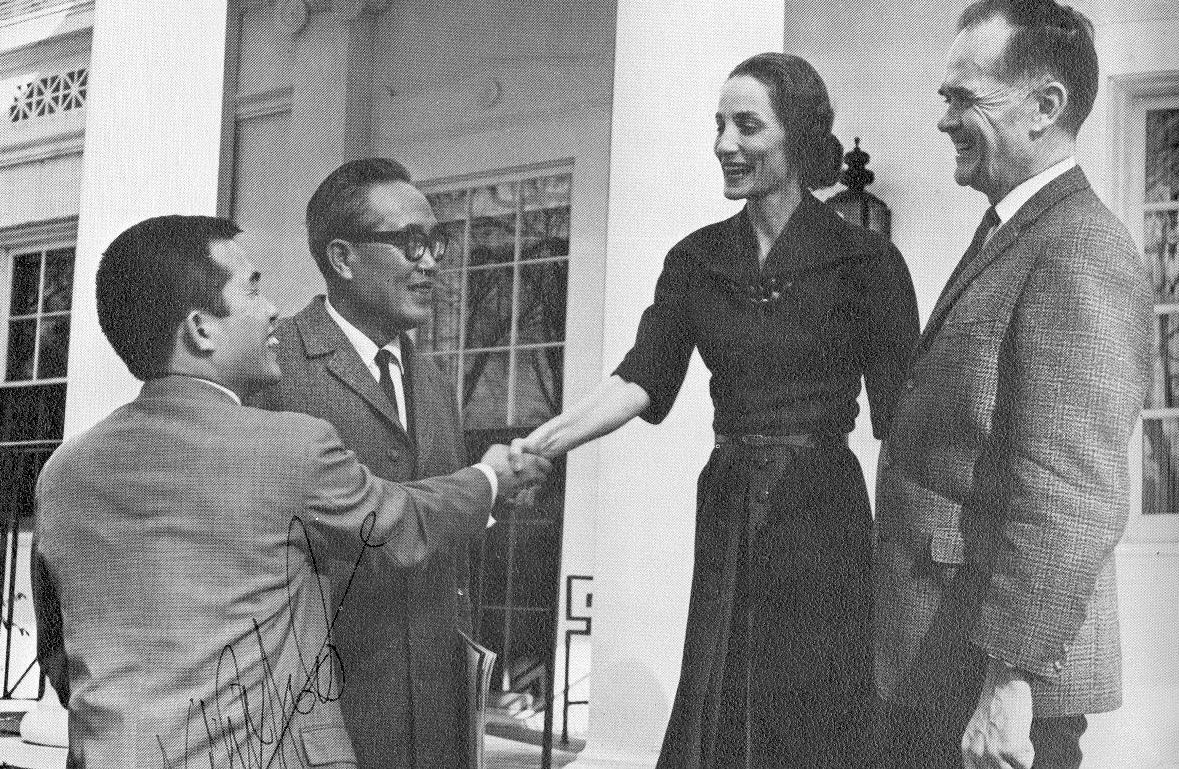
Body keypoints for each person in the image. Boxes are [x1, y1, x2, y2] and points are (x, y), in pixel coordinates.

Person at [513, 53, 919, 768]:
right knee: (722, 691)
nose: (723, 144)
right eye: (719, 125)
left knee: (817, 698)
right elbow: (641, 378)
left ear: (795, 135)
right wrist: (542, 442)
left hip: (823, 507)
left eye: (746, 125)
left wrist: (911, 566)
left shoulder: (865, 262)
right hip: (730, 501)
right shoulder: (695, 260)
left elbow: (905, 426)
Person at [30, 215, 548, 768]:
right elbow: (400, 525)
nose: (274, 307)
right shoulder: (291, 447)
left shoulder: (64, 471)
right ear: (201, 329)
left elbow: (60, 654)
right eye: (254, 286)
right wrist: (491, 479)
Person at [872, 0, 1153, 769]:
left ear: (1043, 107)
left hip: (996, 685)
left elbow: (1071, 494)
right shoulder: (1012, 231)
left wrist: (1007, 684)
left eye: (963, 97)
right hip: (941, 666)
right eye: (944, 96)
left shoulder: (1079, 251)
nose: (942, 119)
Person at [246, 158, 479, 768]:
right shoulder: (274, 370)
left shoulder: (428, 376)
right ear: (343, 258)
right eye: (410, 243)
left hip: (434, 718)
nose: (430, 261)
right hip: (320, 719)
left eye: (434, 241)